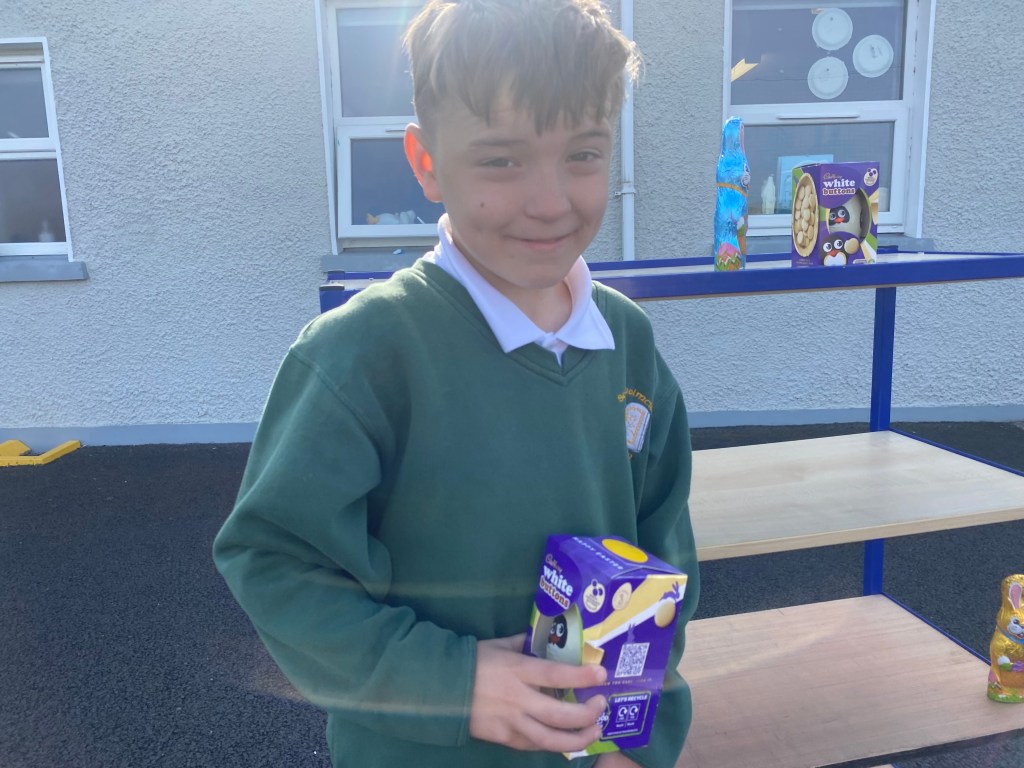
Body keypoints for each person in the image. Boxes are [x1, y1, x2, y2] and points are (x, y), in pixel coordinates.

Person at [212, 1, 700, 766]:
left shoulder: (629, 341)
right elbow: (275, 564)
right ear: (427, 162)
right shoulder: (363, 352)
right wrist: (455, 683)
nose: (551, 200)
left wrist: (639, 739)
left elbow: (665, 547)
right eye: (502, 161)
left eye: (584, 154)